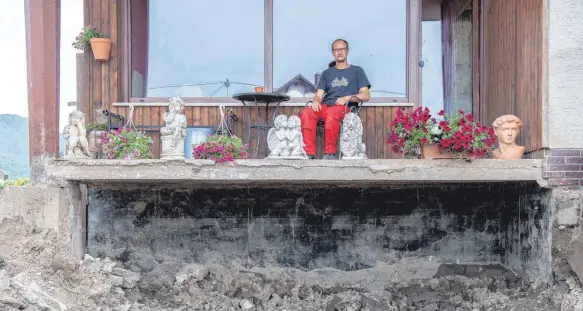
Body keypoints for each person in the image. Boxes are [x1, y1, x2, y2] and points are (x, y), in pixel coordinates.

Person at [299, 39, 371, 159]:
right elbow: (319, 94)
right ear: (333, 53)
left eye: (342, 49)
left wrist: (348, 97)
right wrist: (316, 100)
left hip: (345, 108)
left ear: (347, 51)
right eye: (337, 50)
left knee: (333, 114)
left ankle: (329, 153)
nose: (340, 52)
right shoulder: (327, 73)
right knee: (306, 112)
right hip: (327, 105)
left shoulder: (357, 71)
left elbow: (366, 95)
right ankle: (308, 153)